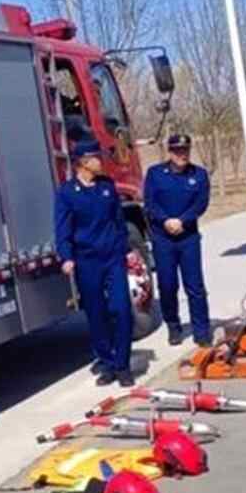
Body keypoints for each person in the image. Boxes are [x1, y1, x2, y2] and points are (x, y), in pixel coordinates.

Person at [54, 135, 134, 387]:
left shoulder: (107, 186)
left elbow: (118, 221)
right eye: (95, 158)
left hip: (113, 258)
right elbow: (62, 228)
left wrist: (126, 249)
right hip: (87, 261)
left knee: (121, 309)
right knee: (97, 314)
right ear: (83, 162)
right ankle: (108, 363)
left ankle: (123, 365)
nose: (100, 161)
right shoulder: (67, 193)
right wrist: (67, 256)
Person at [143, 133, 213, 347]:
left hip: (188, 237)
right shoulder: (155, 174)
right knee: (167, 285)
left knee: (195, 286)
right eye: (177, 151)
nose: (182, 154)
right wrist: (165, 221)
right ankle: (173, 326)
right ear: (170, 152)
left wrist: (183, 220)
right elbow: (150, 203)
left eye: (185, 150)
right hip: (163, 238)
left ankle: (202, 331)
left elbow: (201, 203)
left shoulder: (199, 174)